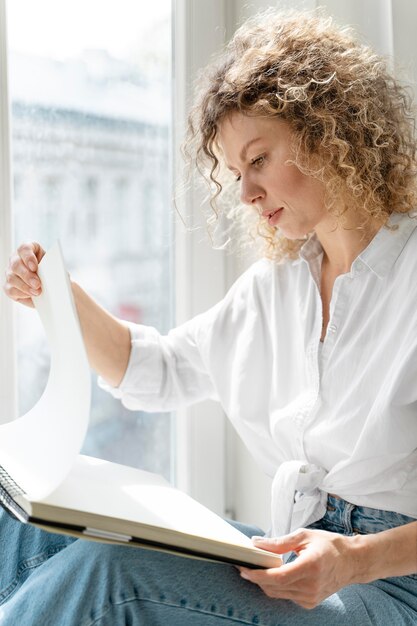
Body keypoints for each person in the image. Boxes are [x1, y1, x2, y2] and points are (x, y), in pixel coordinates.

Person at [2, 8, 417, 625]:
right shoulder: (276, 286)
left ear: (330, 133)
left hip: (389, 583)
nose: (245, 194)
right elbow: (156, 369)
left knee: (112, 571)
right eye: (235, 172)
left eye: (258, 159)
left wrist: (351, 558)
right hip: (296, 553)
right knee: (25, 522)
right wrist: (56, 295)